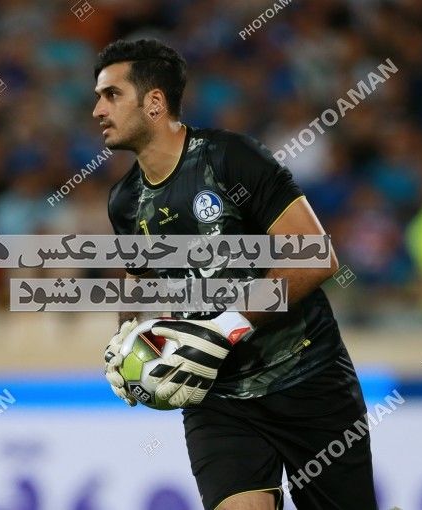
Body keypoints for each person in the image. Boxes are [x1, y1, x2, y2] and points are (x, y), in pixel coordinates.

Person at [96, 39, 377, 510]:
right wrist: (125, 339)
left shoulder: (230, 159)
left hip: (307, 378)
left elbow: (316, 257)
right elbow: (138, 278)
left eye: (112, 95)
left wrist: (225, 327)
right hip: (216, 398)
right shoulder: (125, 202)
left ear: (154, 102)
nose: (97, 110)